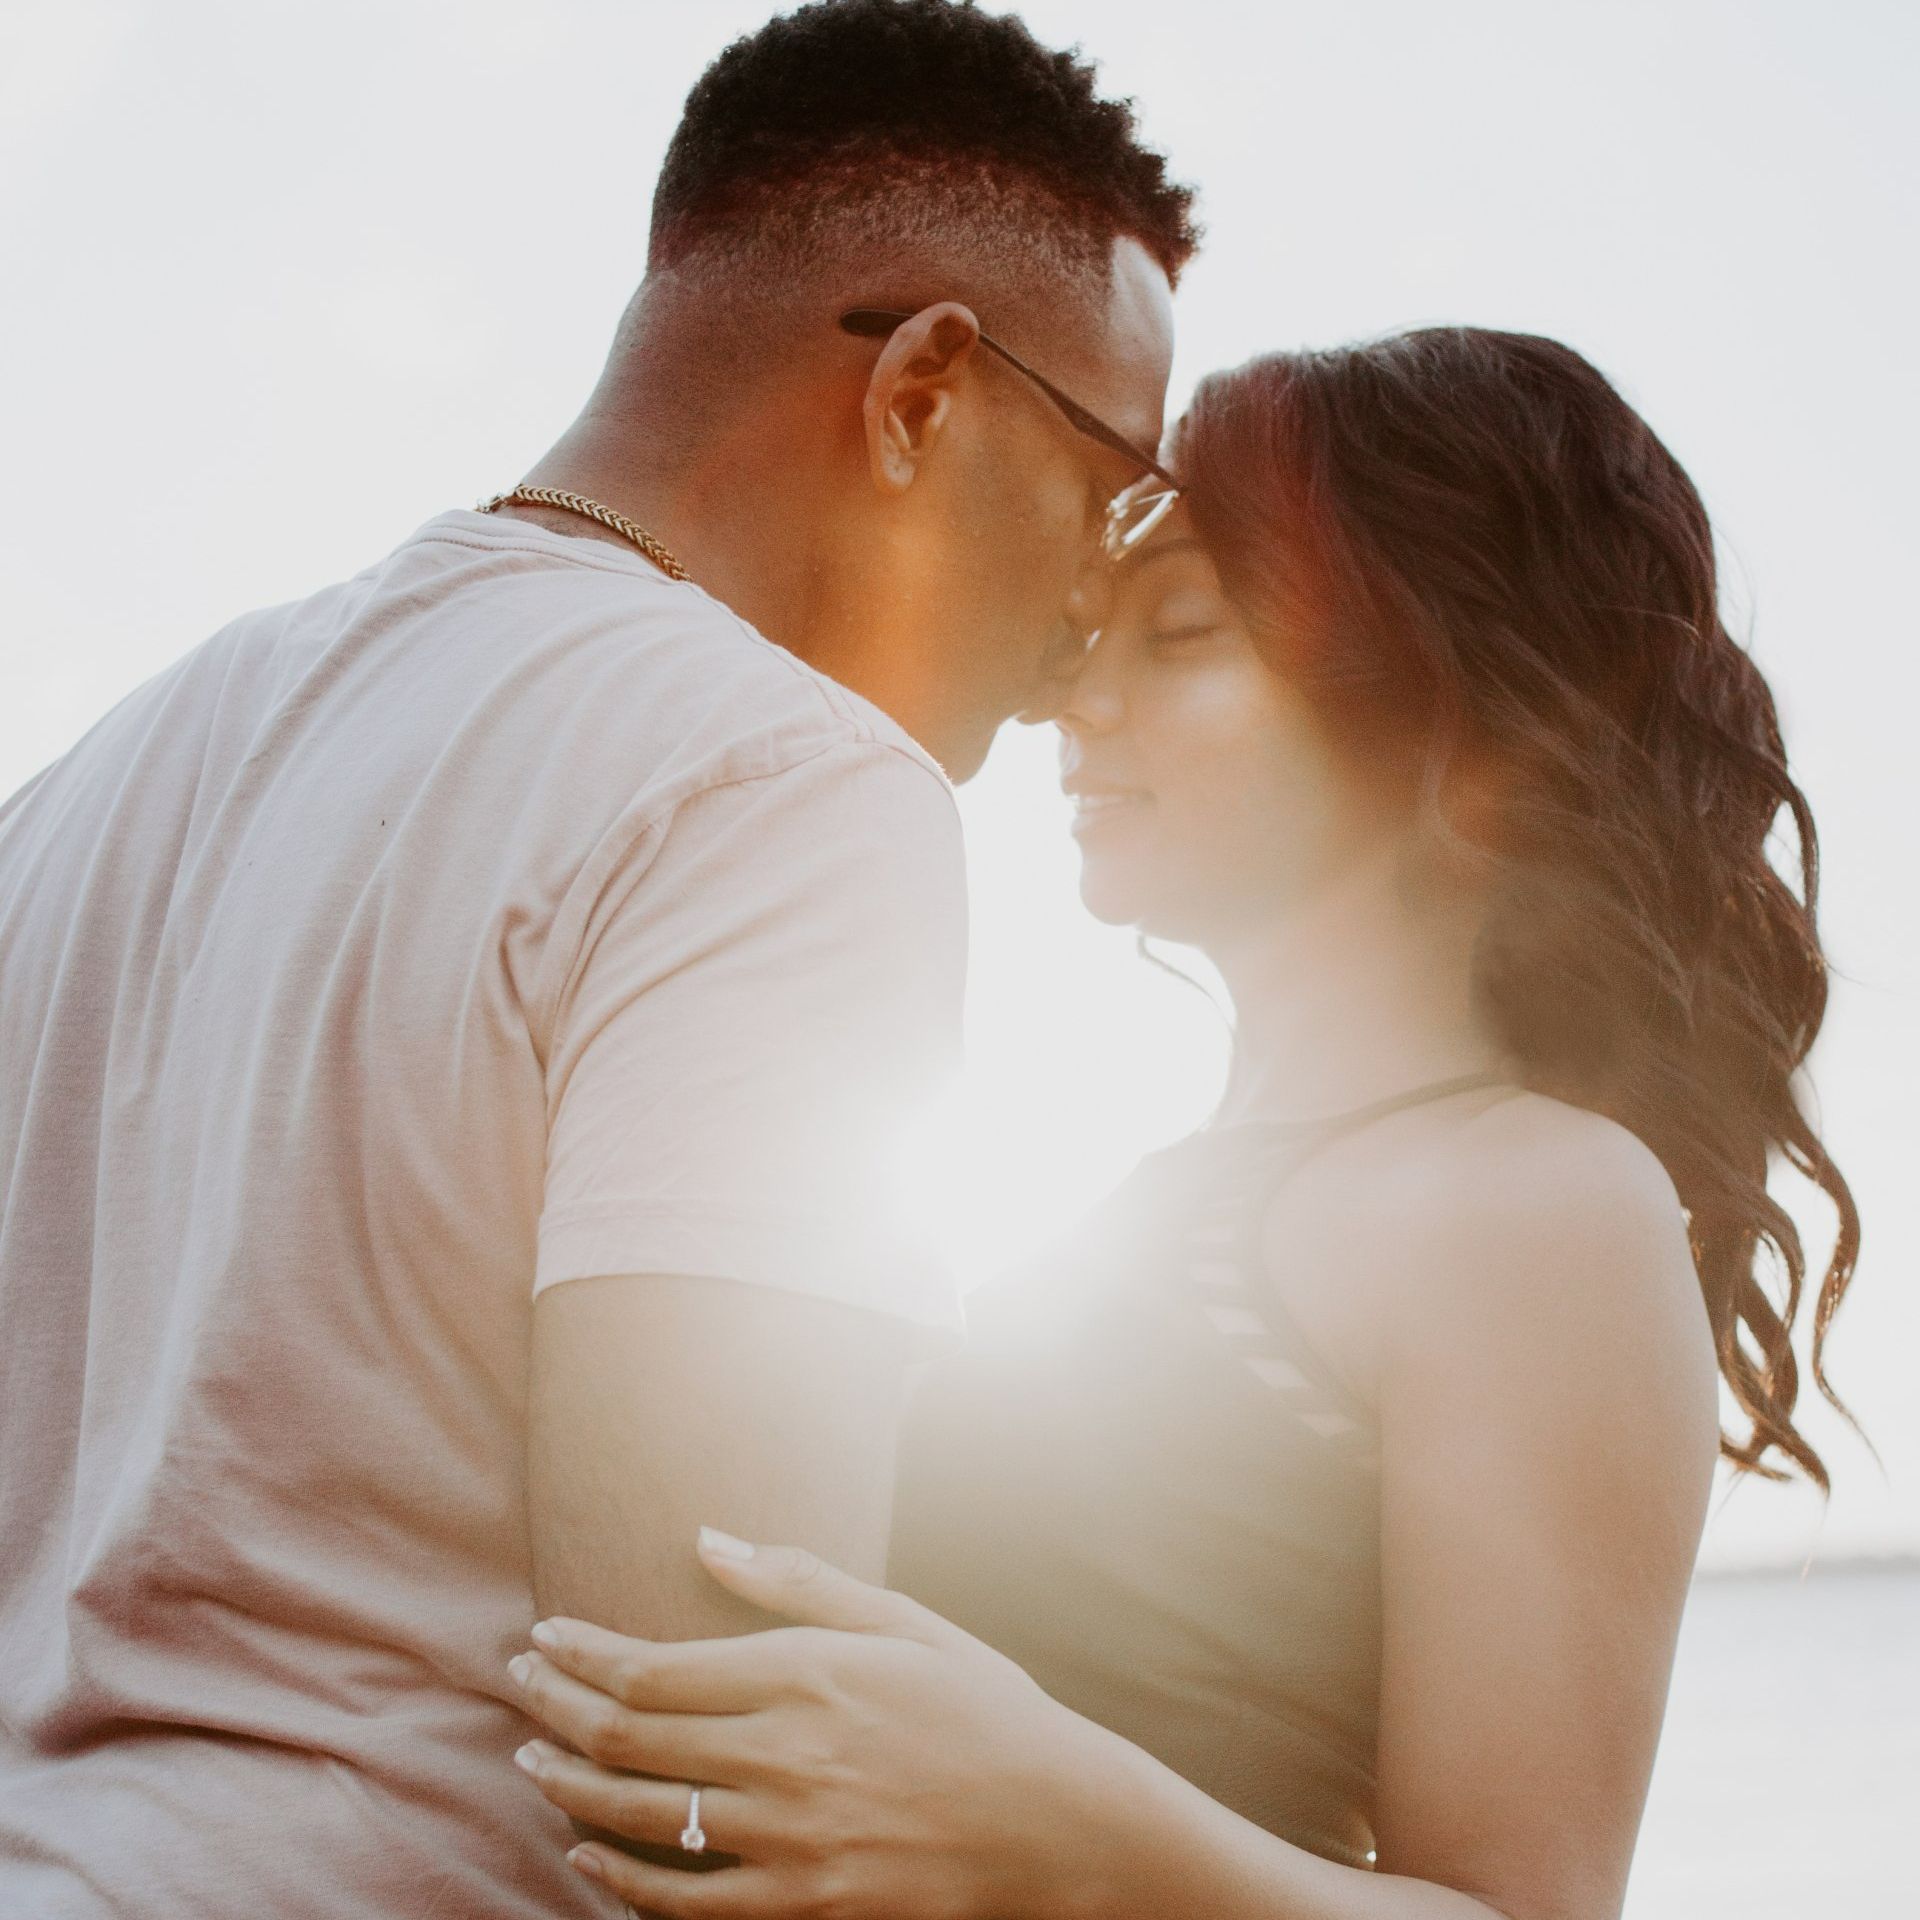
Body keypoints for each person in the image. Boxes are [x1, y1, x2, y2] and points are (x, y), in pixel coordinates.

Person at [0, 4, 1195, 1915]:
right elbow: (715, 1772)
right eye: (1115, 482)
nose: (1100, 594)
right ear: (923, 392)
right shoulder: (790, 787)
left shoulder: (93, 785)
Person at [505, 327, 1861, 1920]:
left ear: (1460, 720)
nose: (1079, 697)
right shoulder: (1147, 1200)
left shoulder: (1537, 1203)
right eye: (1095, 635)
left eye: (1185, 632)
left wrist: (1064, 1820)